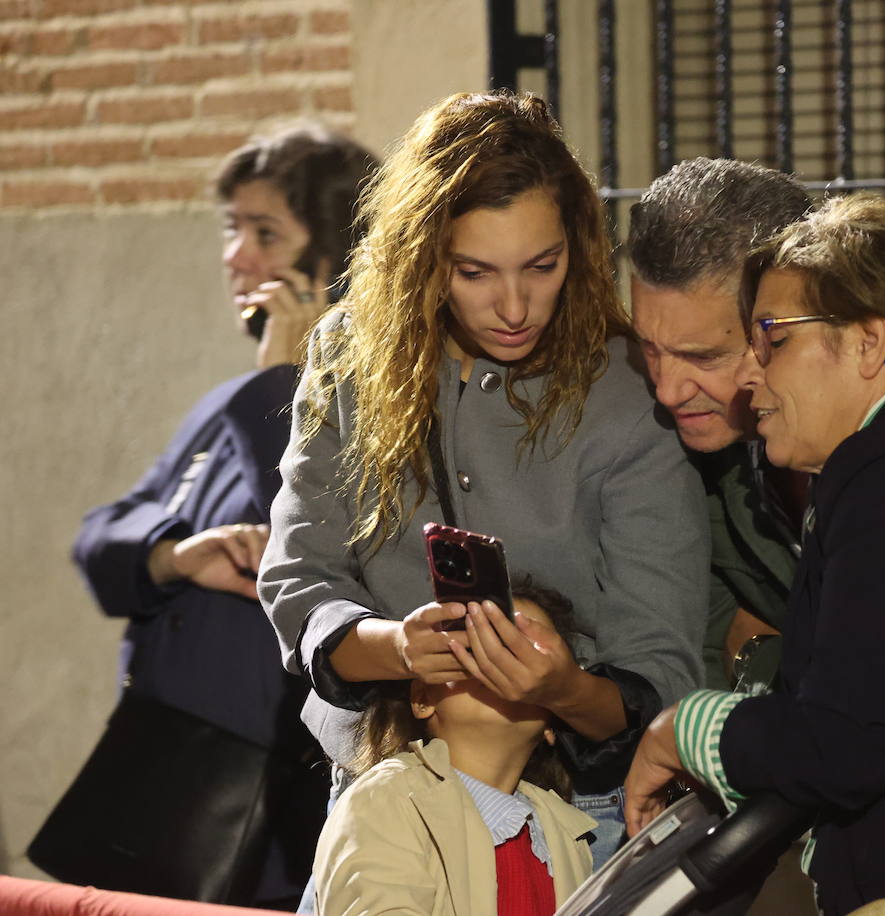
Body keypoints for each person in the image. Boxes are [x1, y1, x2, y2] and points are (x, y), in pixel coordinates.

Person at [256, 91, 709, 881]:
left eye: (543, 265)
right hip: (381, 801)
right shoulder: (349, 354)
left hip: (574, 817)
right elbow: (298, 577)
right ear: (424, 258)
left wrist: (564, 689)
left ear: (578, 245)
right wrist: (396, 647)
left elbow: (661, 672)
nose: (514, 306)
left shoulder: (626, 386)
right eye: (475, 272)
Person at [624, 195, 885, 915]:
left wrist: (683, 730)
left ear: (873, 343)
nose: (751, 376)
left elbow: (847, 743)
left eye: (772, 339)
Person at [70, 124, 378, 908]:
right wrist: (172, 556)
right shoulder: (230, 399)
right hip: (159, 767)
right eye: (231, 229)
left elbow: (309, 519)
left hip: (267, 806)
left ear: (334, 258)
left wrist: (287, 376)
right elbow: (99, 540)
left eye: (265, 232)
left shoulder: (371, 406)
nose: (235, 256)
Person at [627, 157, 885, 689]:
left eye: (706, 357)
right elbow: (690, 628)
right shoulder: (685, 423)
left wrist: (770, 661)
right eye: (648, 348)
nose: (666, 390)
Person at [312, 581, 597, 916]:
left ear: (553, 722)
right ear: (422, 698)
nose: (501, 663)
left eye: (527, 652)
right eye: (474, 644)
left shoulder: (567, 839)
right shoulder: (387, 800)